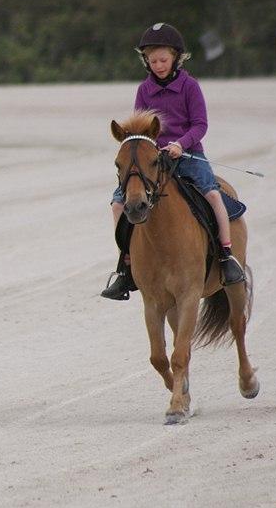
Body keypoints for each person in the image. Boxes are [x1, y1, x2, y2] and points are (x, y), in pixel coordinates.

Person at [101, 22, 246, 300]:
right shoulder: (144, 90)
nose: (158, 65)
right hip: (154, 158)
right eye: (152, 60)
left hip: (189, 154)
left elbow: (200, 124)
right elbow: (140, 127)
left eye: (163, 60)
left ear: (176, 58)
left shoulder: (190, 87)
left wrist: (181, 144)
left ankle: (227, 257)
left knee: (214, 196)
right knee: (119, 202)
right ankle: (126, 264)